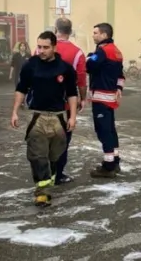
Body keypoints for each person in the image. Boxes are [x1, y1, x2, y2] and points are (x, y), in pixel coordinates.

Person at [11, 31, 77, 206]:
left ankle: (49, 181)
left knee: (54, 156)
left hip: (58, 118)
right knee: (38, 156)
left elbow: (72, 94)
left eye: (45, 47)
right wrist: (15, 111)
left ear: (55, 47)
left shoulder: (65, 68)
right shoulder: (30, 66)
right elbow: (21, 89)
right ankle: (42, 192)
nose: (41, 50)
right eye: (39, 46)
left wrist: (73, 117)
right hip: (37, 116)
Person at [52, 18, 87, 185]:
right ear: (70, 31)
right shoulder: (78, 52)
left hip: (43, 104)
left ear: (55, 29)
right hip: (65, 104)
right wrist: (83, 98)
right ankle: (58, 174)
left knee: (44, 138)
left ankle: (44, 173)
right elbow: (81, 79)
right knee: (63, 139)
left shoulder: (41, 48)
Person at [86, 23, 124, 178]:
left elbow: (89, 65)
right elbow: (121, 75)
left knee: (103, 131)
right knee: (110, 130)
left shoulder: (103, 51)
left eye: (95, 33)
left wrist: (88, 56)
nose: (93, 35)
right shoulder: (117, 51)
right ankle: (115, 161)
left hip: (101, 97)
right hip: (110, 96)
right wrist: (119, 89)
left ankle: (108, 167)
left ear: (104, 35)